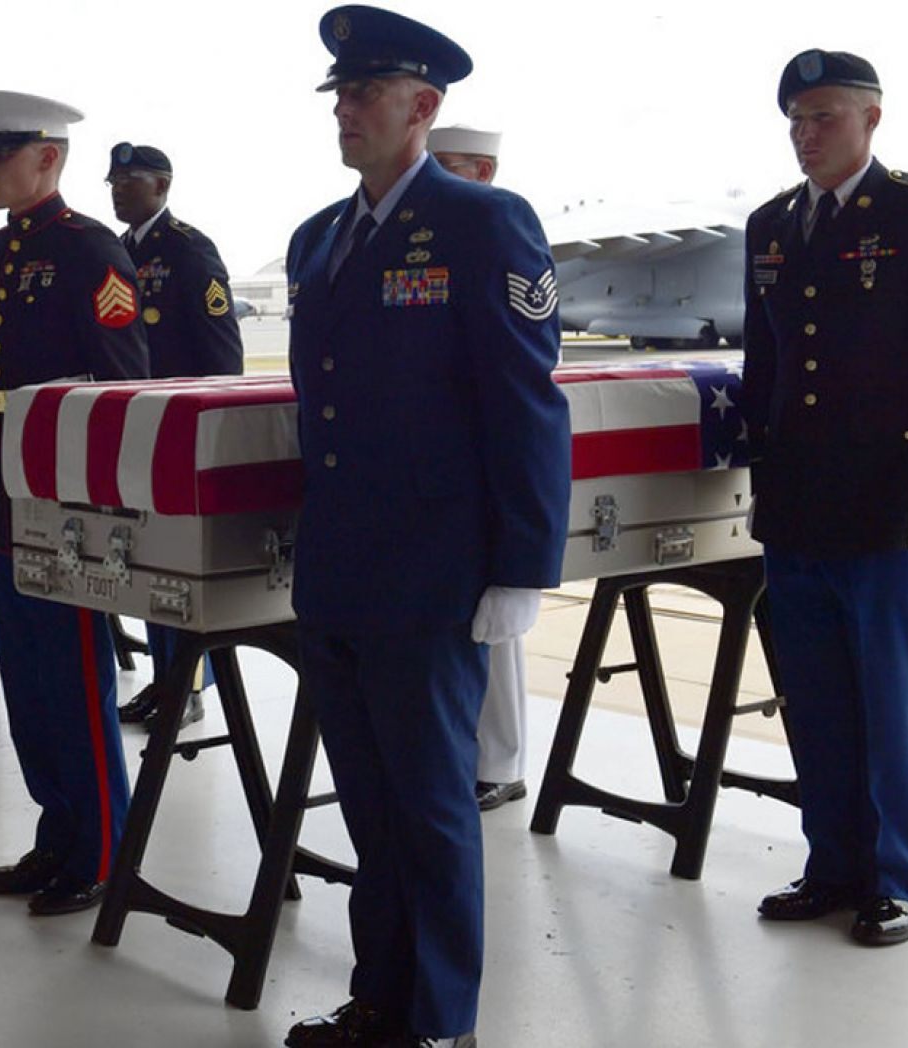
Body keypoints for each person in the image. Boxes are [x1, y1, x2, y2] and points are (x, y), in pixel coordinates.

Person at [282, 9, 570, 1047]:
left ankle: (440, 1022)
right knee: (369, 806)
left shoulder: (481, 223)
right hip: (338, 570)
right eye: (339, 95)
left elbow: (525, 402)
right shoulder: (317, 237)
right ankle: (380, 999)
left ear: (424, 107)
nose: (345, 110)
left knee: (434, 809)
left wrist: (521, 568)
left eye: (365, 93)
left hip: (434, 573)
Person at [744, 49, 908, 948]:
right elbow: (770, 363)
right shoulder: (772, 225)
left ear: (872, 119)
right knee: (814, 699)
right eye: (796, 119)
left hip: (889, 504)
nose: (806, 134)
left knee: (887, 702)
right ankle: (831, 866)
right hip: (798, 507)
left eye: (824, 116)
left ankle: (892, 878)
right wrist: (758, 466)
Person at [0, 89, 149, 916]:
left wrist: (107, 513)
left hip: (66, 498)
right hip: (6, 480)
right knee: (29, 683)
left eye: (2, 156)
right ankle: (56, 832)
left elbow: (123, 385)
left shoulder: (89, 250)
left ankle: (103, 848)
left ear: (48, 157)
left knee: (74, 679)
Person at [102, 141, 244, 731]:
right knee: (147, 562)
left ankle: (187, 687)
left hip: (180, 428)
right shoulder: (119, 251)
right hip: (140, 428)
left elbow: (221, 351)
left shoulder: (187, 249)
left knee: (182, 567)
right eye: (112, 182)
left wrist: (212, 434)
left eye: (129, 181)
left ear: (161, 186)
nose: (116, 190)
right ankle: (166, 679)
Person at [427, 122, 530, 813]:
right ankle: (477, 754)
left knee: (497, 633)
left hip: (488, 468)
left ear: (483, 171)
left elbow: (522, 387)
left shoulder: (498, 229)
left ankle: (501, 759)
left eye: (449, 168)